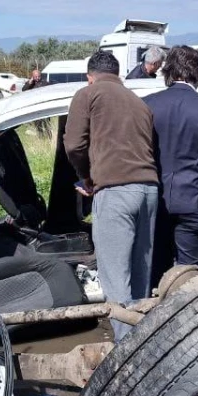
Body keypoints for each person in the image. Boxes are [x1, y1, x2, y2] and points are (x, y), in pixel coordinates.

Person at [63, 50, 159, 339]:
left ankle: (125, 351)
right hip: (149, 191)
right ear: (117, 74)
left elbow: (74, 145)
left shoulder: (88, 94)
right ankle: (144, 342)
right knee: (141, 278)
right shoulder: (139, 103)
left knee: (116, 280)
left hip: (116, 191)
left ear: (90, 76)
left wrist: (87, 177)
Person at [143, 46, 198, 284]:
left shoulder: (147, 104)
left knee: (155, 268)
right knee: (190, 275)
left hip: (155, 199)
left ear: (167, 70)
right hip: (196, 198)